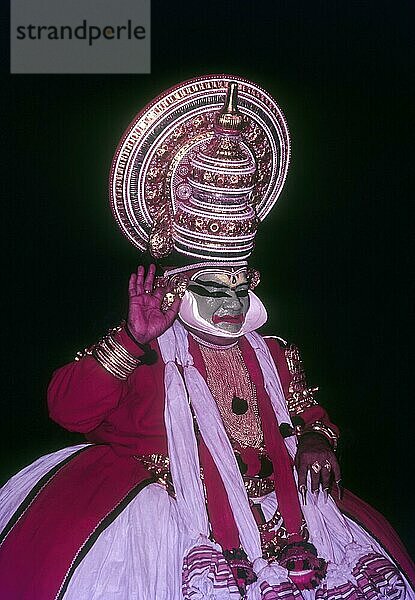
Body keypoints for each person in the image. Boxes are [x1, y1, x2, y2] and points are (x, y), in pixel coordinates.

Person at [0, 75, 413, 600]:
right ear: (178, 285)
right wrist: (130, 339)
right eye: (213, 289)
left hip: (283, 512)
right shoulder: (147, 352)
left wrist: (314, 438)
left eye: (241, 288)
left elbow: (307, 410)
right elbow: (67, 411)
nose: (231, 305)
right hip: (174, 520)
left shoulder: (275, 354)